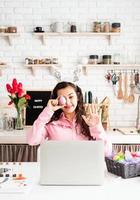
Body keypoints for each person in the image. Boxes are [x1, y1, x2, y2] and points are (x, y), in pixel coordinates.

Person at [27, 81, 112, 156]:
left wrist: (96, 127)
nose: (67, 102)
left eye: (71, 97)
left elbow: (106, 152)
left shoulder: (88, 121)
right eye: (62, 98)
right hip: (59, 170)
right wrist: (48, 111)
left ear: (78, 97)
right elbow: (32, 140)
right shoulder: (51, 124)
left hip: (85, 169)